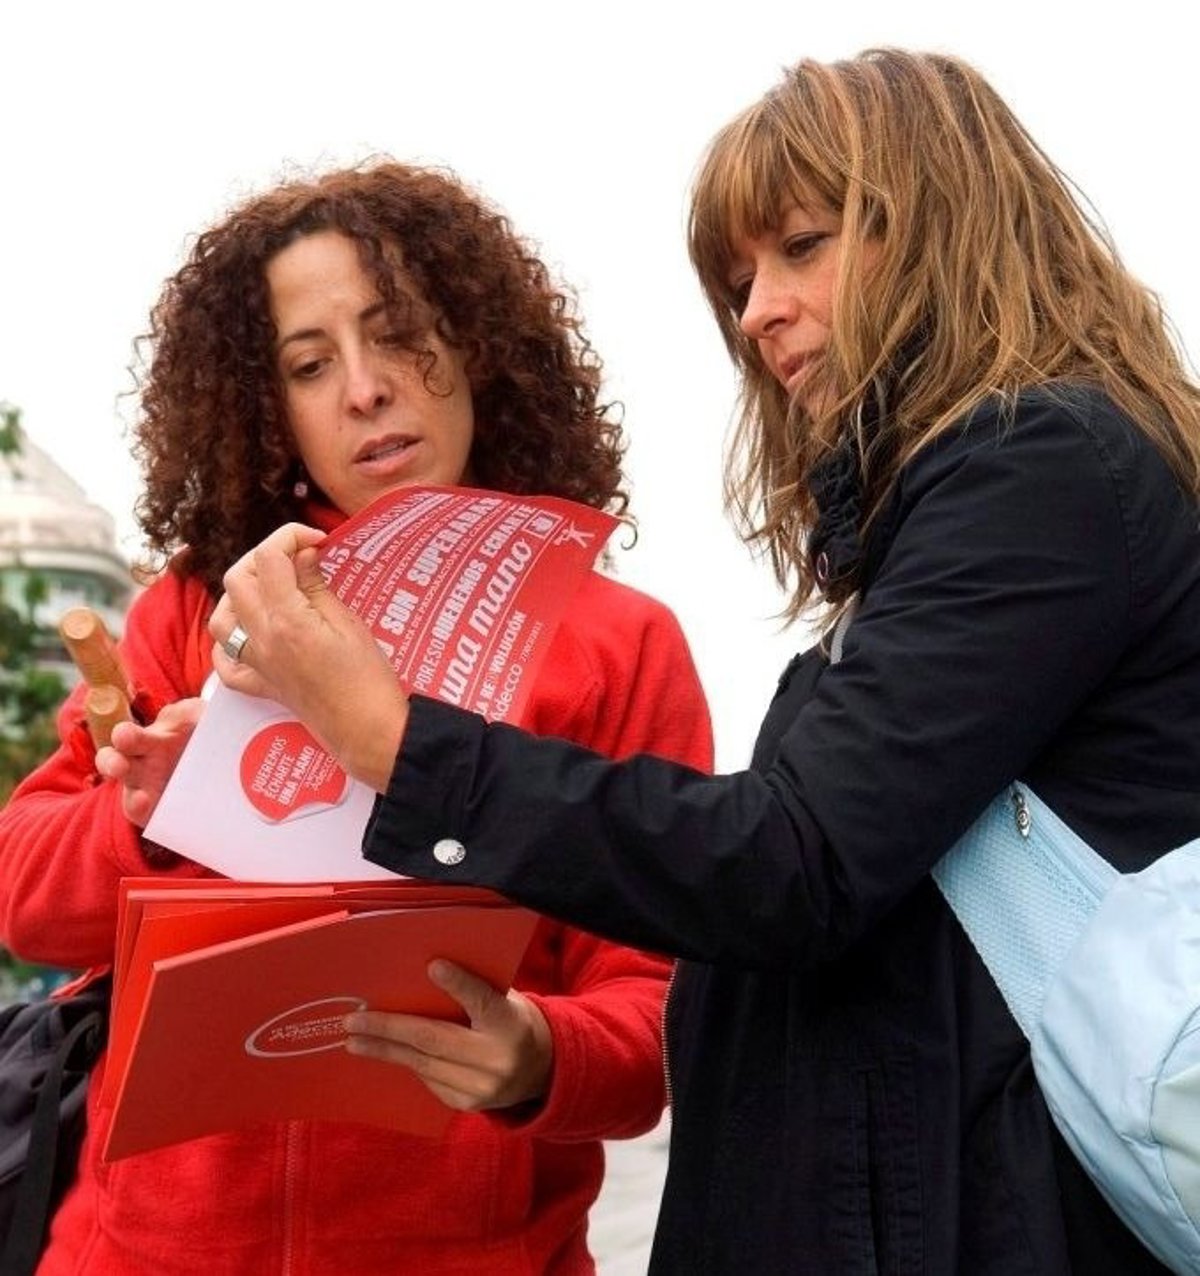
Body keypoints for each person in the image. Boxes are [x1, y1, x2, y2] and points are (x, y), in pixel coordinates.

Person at [212, 49, 1200, 1275]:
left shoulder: (1037, 468)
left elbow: (793, 861)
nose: (757, 312)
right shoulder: (976, 505)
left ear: (943, 226)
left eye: (802, 247)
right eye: (740, 281)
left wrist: (397, 744)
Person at [0, 161, 713, 1274]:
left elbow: (667, 1007)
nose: (366, 389)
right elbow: (25, 901)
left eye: (399, 335)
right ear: (269, 408)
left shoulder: (621, 644)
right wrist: (143, 812)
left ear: (479, 348)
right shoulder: (191, 608)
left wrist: (543, 1056)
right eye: (310, 364)